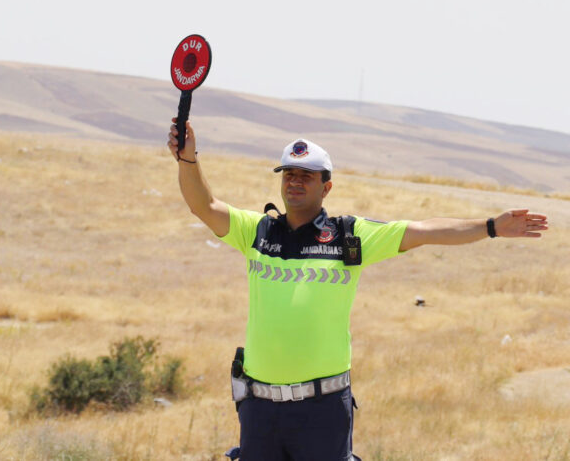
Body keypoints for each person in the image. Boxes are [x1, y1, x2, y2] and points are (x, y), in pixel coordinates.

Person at [168, 119, 548, 461]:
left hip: (321, 410)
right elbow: (203, 205)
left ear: (326, 186)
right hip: (259, 409)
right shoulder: (256, 231)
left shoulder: (349, 237)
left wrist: (491, 227)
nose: (295, 182)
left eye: (307, 175)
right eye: (289, 174)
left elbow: (424, 230)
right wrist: (188, 159)